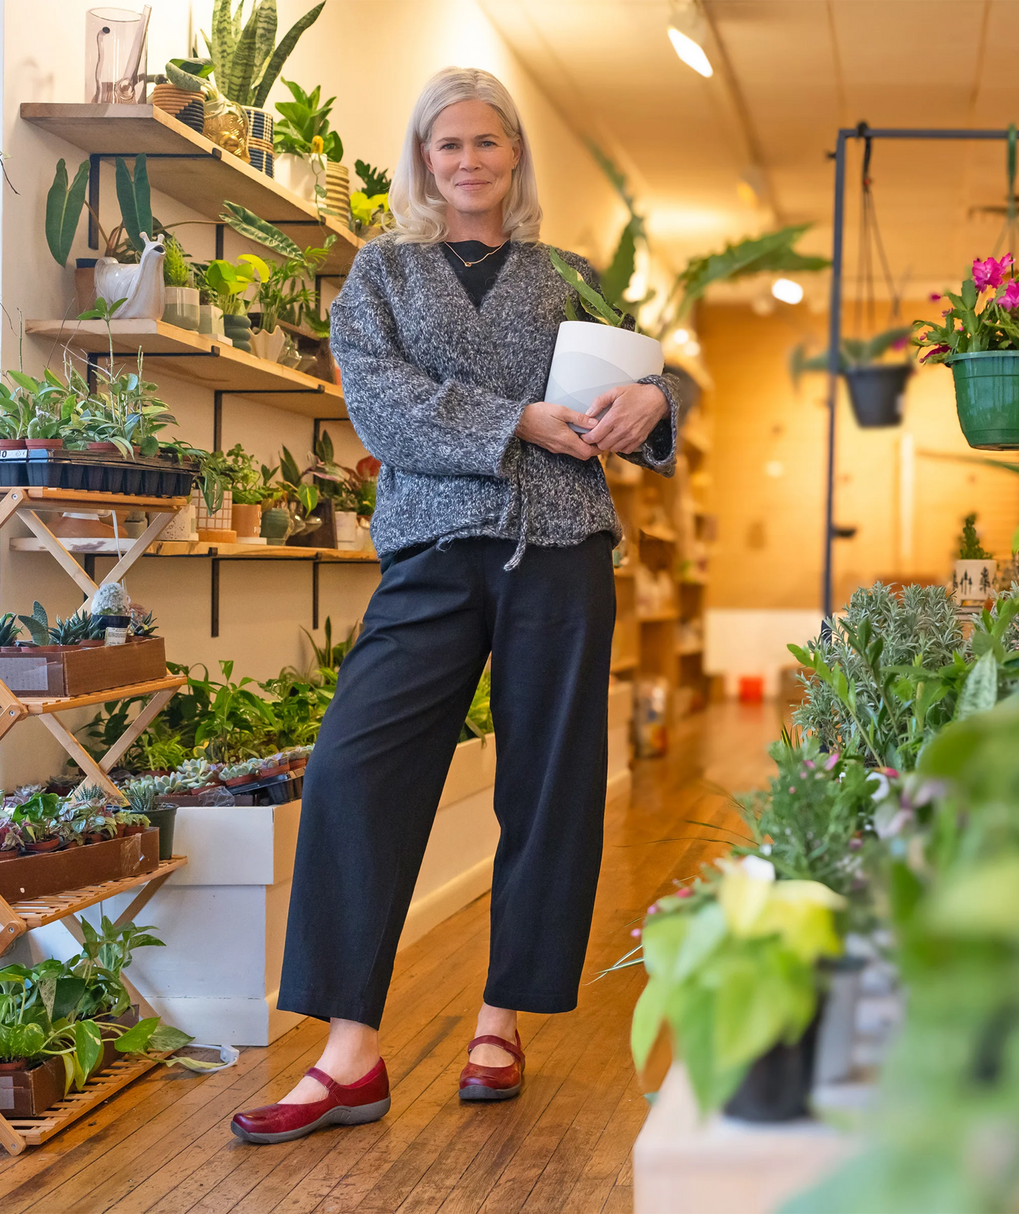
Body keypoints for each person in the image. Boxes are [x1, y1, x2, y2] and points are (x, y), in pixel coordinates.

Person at [231, 65, 676, 1145]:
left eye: (487, 142)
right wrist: (515, 421)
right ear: (422, 160)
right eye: (447, 146)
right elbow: (377, 398)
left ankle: (499, 1016)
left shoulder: (567, 273)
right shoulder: (380, 271)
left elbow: (660, 368)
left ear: (514, 155)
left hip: (561, 547)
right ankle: (348, 1050)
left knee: (547, 784)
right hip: (430, 553)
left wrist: (657, 396)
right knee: (353, 766)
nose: (468, 161)